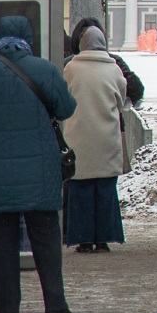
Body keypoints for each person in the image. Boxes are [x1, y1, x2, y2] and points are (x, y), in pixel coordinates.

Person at [0, 14, 83, 313]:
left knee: (3, 246)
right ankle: (55, 312)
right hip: (40, 174)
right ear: (29, 39)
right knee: (47, 244)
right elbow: (66, 109)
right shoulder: (45, 70)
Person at [61, 26, 130, 253]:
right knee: (105, 189)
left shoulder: (71, 68)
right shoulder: (113, 69)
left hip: (77, 138)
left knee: (80, 189)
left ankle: (83, 240)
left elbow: (63, 98)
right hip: (106, 138)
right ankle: (104, 238)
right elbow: (122, 101)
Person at [67, 18, 144, 107]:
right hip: (110, 119)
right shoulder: (114, 63)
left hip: (74, 120)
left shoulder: (68, 65)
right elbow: (136, 90)